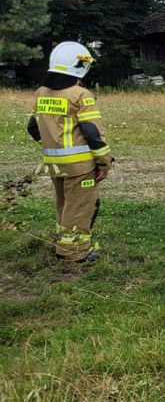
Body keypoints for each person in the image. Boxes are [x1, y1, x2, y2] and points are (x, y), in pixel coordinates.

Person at [26, 42, 114, 264]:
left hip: (54, 164)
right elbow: (92, 133)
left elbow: (33, 128)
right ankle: (74, 254)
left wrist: (53, 146)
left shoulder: (41, 93)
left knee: (64, 205)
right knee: (81, 207)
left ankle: (62, 245)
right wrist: (104, 163)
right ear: (78, 66)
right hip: (80, 166)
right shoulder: (81, 95)